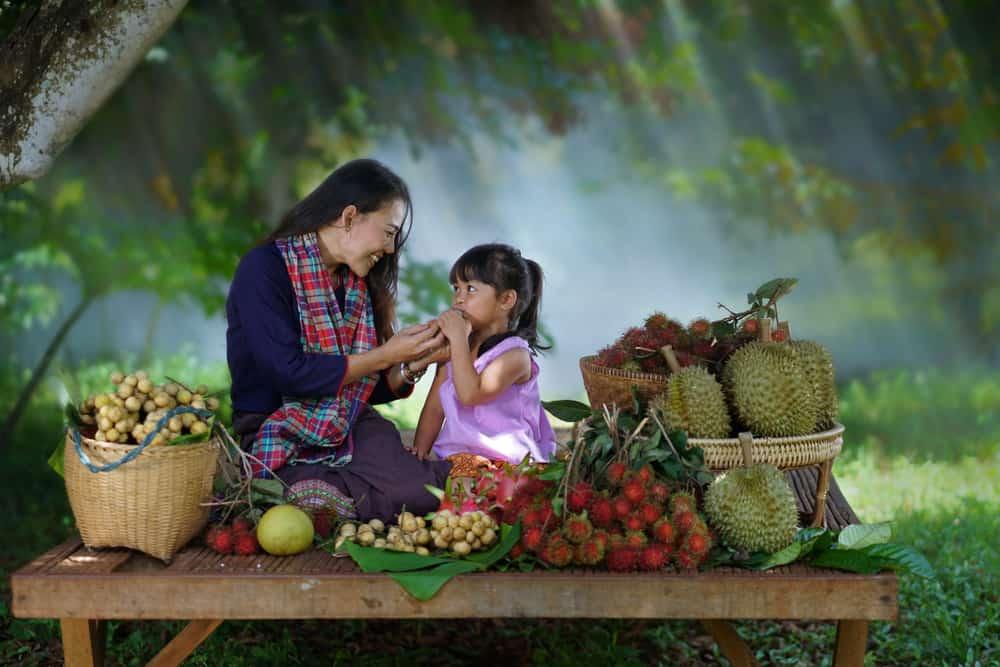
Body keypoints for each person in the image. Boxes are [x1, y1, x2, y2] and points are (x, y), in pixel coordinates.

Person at [225, 158, 451, 521]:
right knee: (308, 500)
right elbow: (288, 372)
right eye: (389, 232)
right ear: (348, 217)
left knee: (421, 493)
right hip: (275, 425)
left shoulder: (357, 285)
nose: (391, 250)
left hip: (349, 422)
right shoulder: (263, 269)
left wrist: (411, 363)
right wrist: (384, 355)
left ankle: (351, 496)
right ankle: (356, 495)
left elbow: (363, 388)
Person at [412, 243, 558, 477]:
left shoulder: (515, 356)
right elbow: (434, 408)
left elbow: (471, 394)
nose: (458, 299)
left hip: (509, 464)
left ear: (506, 300)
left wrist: (458, 338)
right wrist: (418, 453)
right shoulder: (456, 349)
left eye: (470, 289)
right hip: (459, 461)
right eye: (456, 288)